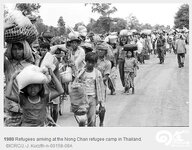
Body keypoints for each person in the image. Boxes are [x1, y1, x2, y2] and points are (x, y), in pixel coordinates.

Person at [4, 41, 36, 126]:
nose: (17, 52)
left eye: (20, 49)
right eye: (14, 49)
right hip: (11, 109)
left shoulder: (30, 66)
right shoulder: (7, 64)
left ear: (25, 50)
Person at [78, 52, 105, 127]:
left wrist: (101, 103)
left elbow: (101, 88)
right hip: (83, 98)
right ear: (85, 62)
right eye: (88, 62)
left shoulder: (97, 73)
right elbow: (76, 83)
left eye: (92, 63)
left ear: (95, 63)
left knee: (91, 120)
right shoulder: (81, 72)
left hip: (92, 98)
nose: (90, 64)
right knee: (82, 120)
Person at [38, 42, 61, 123]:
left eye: (44, 50)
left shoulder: (53, 59)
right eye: (41, 50)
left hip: (54, 86)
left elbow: (49, 70)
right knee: (46, 105)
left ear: (48, 50)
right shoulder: (40, 60)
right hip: (45, 86)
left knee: (55, 107)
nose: (42, 52)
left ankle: (55, 123)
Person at [95, 43, 111, 126]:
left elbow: (106, 77)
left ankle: (101, 122)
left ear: (105, 52)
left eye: (102, 50)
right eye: (99, 49)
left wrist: (98, 80)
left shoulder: (107, 63)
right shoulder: (93, 60)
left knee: (102, 106)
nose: (100, 51)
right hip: (90, 85)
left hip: (101, 87)